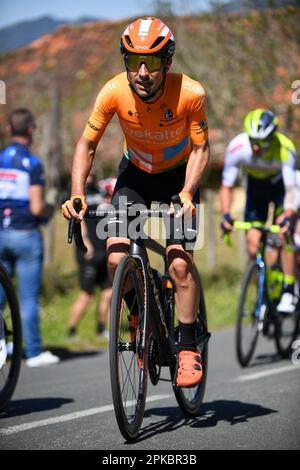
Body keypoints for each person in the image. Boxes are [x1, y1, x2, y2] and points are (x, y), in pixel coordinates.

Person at [62, 17, 210, 387]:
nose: (142, 72)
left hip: (180, 177)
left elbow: (202, 148)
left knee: (178, 264)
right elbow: (87, 144)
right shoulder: (112, 91)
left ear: (168, 63)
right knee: (115, 258)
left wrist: (189, 192)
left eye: (153, 63)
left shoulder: (191, 93)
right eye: (133, 62)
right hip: (137, 175)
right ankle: (143, 312)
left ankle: (188, 344)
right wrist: (77, 193)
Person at [220, 108, 298, 313]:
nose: (255, 147)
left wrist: (288, 216)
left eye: (261, 142)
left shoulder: (285, 148)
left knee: (284, 232)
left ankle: (289, 289)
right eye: (252, 140)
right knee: (253, 248)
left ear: (272, 138)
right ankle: (262, 296)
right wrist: (226, 215)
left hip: (282, 190)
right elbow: (226, 186)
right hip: (256, 191)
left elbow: (291, 191)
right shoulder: (237, 147)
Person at [0, 108, 60, 367]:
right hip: (25, 235)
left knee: (1, 293)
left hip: (1, 232)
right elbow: (36, 207)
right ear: (32, 130)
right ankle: (33, 352)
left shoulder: (1, 158)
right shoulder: (32, 163)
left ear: (9, 129)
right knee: (26, 297)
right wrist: (50, 210)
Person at [67, 174, 115, 339]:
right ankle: (71, 331)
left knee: (108, 292)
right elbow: (77, 221)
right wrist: (86, 243)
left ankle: (103, 329)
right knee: (87, 294)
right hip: (89, 251)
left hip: (105, 249)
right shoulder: (76, 193)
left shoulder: (99, 190)